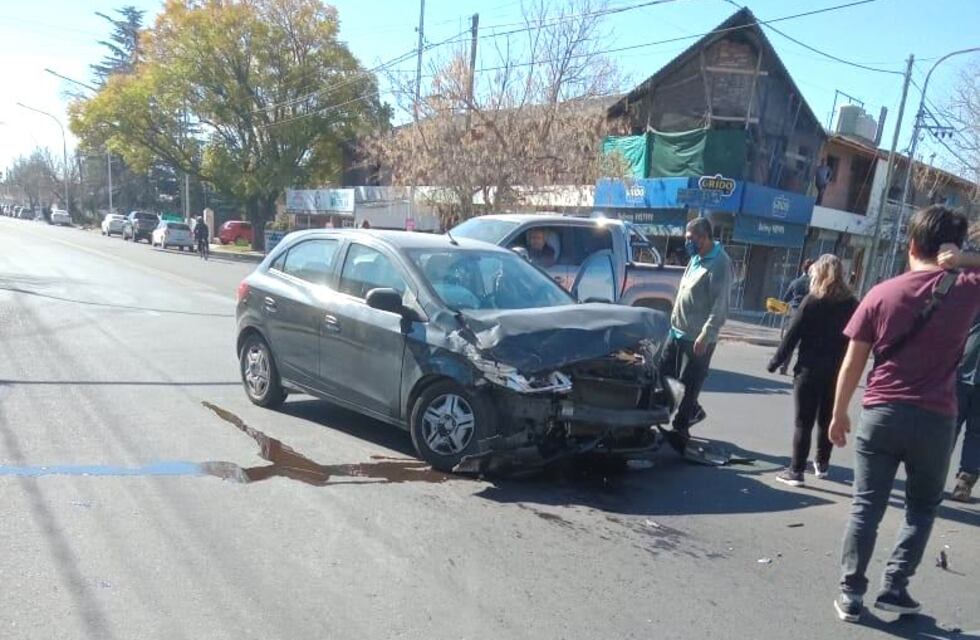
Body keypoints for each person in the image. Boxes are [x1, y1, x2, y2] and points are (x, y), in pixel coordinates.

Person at [828, 205, 980, 623]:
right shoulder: (969, 287)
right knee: (922, 507)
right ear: (951, 245)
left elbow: (852, 364)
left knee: (866, 506)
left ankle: (851, 593)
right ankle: (894, 587)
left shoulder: (882, 292)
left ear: (911, 245)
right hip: (936, 420)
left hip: (881, 413)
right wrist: (965, 259)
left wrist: (838, 413)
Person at [768, 254, 857, 487]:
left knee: (803, 422)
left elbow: (792, 335)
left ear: (818, 273)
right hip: (837, 373)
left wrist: (776, 361)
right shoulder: (852, 304)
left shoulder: (812, 301)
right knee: (828, 418)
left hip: (808, 370)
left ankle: (796, 471)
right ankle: (822, 464)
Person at [661, 217, 732, 452]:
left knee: (690, 384)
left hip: (698, 337)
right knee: (665, 374)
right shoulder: (696, 257)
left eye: (690, 238)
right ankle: (693, 411)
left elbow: (720, 304)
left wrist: (706, 334)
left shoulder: (719, 263)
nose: (687, 242)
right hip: (677, 330)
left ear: (704, 237)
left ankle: (681, 430)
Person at [777, 259, 816, 374]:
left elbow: (785, 298)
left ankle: (784, 367)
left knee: (791, 341)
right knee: (806, 344)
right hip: (809, 314)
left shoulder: (795, 282)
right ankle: (800, 370)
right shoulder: (814, 285)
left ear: (802, 269)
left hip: (794, 313)